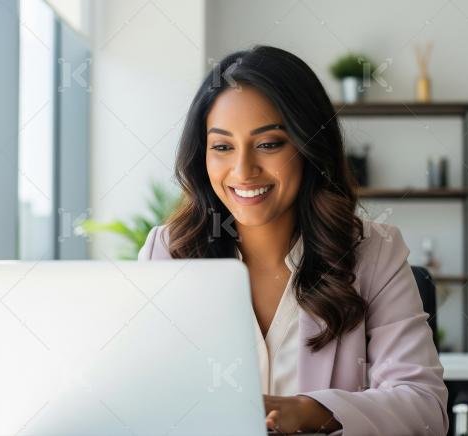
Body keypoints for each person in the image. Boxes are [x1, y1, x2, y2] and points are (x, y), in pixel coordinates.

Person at [138, 45, 448, 435]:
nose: (243, 170)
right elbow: (144, 399)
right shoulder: (169, 253)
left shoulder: (373, 252)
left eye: (269, 144)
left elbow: (424, 407)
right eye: (222, 147)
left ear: (308, 146)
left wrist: (308, 411)